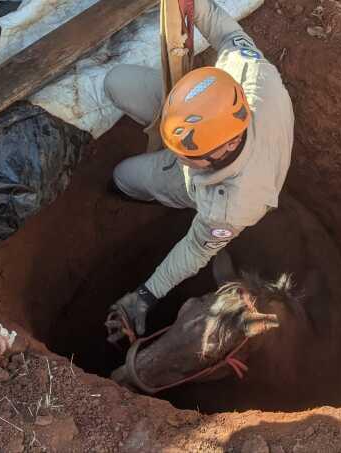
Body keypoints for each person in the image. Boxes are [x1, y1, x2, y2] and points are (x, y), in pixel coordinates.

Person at [105, 0, 294, 339]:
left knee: (123, 176)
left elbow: (195, 249)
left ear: (216, 153)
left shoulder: (228, 208)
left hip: (201, 185)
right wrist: (194, 5)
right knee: (116, 82)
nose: (180, 157)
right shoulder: (252, 74)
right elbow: (226, 33)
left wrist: (145, 296)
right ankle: (178, 121)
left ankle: (152, 195)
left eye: (185, 155)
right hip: (191, 108)